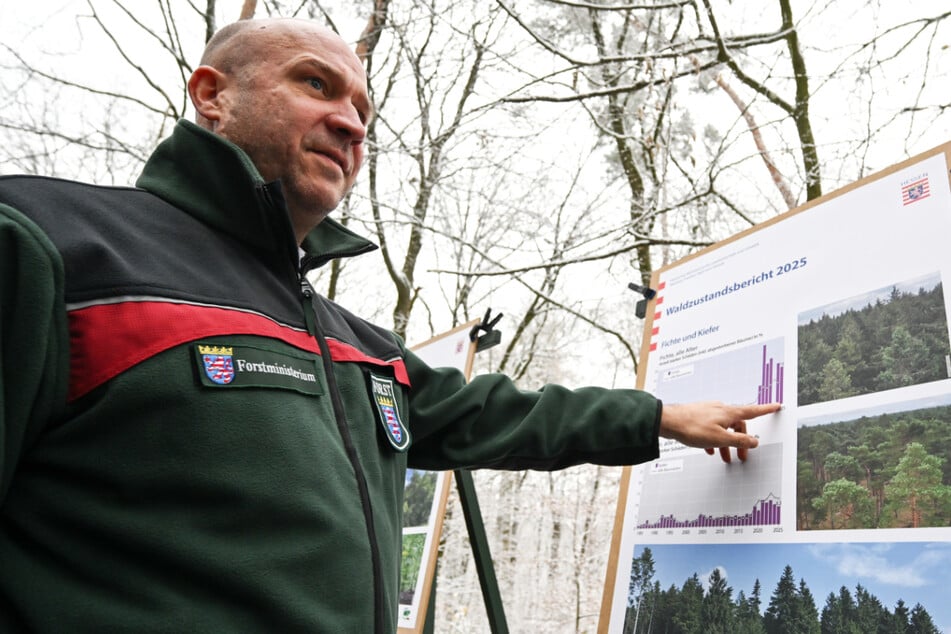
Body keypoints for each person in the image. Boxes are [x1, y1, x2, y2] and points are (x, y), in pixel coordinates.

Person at [0, 17, 780, 633]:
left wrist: (660, 417)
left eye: (363, 111)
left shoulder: (353, 343)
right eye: (315, 84)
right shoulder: (48, 245)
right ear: (212, 95)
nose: (350, 123)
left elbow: (491, 415)